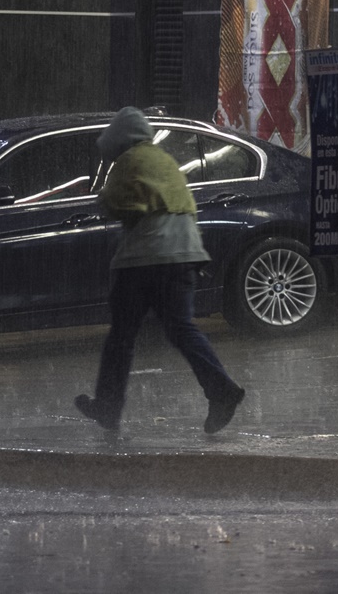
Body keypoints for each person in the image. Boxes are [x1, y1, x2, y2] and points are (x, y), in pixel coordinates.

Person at [74, 107, 245, 434]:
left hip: (145, 258)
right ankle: (221, 390)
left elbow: (114, 203)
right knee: (182, 329)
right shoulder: (164, 160)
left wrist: (99, 199)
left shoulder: (128, 161)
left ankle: (108, 407)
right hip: (184, 255)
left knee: (121, 337)